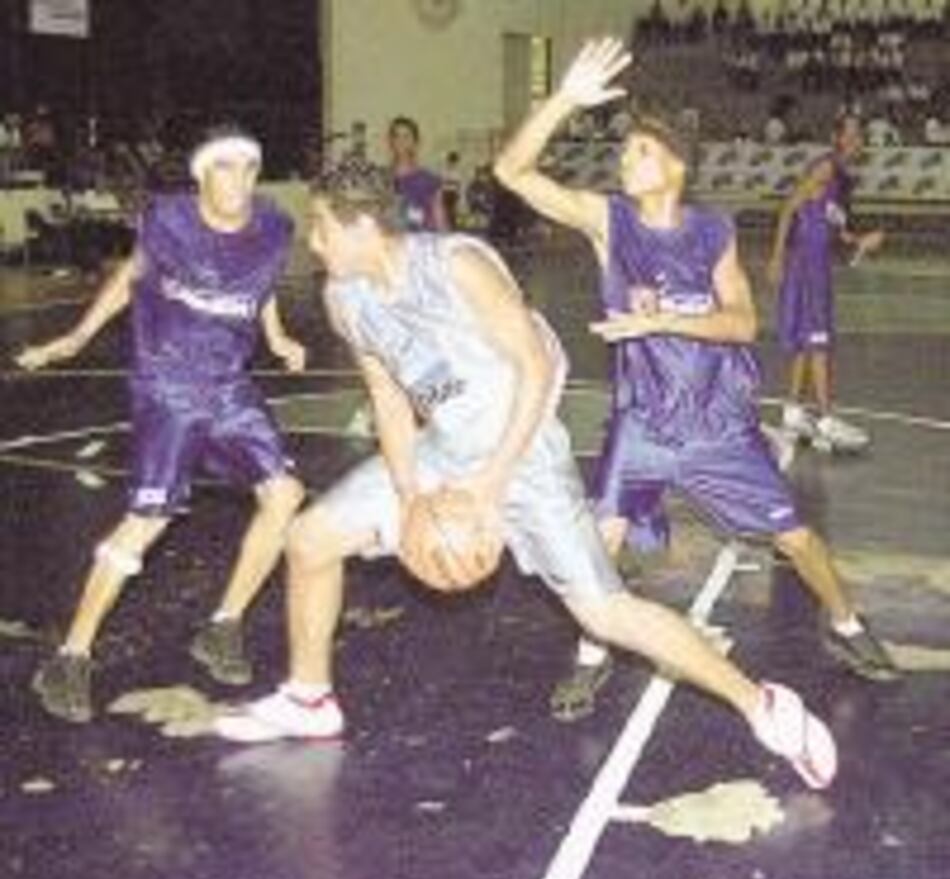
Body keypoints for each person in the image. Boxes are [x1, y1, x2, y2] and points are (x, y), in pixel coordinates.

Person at [212, 153, 839, 794]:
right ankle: (310, 698)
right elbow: (389, 400)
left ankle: (763, 706)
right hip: (444, 449)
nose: (313, 244)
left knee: (606, 615)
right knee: (311, 538)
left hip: (526, 450)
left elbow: (538, 370)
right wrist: (411, 498)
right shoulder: (344, 299)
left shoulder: (459, 264)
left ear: (362, 227)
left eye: (321, 229)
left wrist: (489, 485)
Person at [493, 38, 898, 722]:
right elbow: (511, 170)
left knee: (795, 537)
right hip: (644, 421)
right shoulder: (609, 222)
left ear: (675, 166)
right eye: (625, 150)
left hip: (715, 424)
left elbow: (742, 323)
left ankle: (850, 624)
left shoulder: (712, 231)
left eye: (641, 151)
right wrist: (564, 98)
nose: (626, 158)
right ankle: (593, 654)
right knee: (604, 539)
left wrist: (663, 324)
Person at [16, 125, 307, 722]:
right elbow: (130, 277)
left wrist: (276, 335)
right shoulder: (170, 223)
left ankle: (222, 627)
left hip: (229, 388)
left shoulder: (272, 227)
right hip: (169, 389)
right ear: (202, 174)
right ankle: (69, 657)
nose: (241, 181)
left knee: (285, 494)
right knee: (148, 520)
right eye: (227, 168)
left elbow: (262, 283)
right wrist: (74, 336)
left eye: (250, 169)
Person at [767, 114, 885, 451]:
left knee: (809, 337)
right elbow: (788, 208)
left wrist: (859, 240)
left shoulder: (845, 180)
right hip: (804, 264)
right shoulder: (825, 168)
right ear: (837, 138)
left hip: (818, 265)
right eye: (849, 133)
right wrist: (777, 257)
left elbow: (834, 227)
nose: (856, 139)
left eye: (859, 133)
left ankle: (792, 411)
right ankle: (827, 419)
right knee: (818, 340)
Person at [388, 115, 448, 231]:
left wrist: (447, 245)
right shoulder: (380, 177)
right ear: (391, 141)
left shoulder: (429, 180)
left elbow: (440, 222)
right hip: (388, 245)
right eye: (396, 136)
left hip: (419, 244)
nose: (401, 141)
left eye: (406, 136)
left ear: (415, 142)